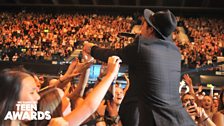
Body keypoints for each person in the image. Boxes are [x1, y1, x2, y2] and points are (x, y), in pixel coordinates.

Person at [83, 9, 195, 126]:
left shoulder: (141, 47)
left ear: (151, 29)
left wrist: (91, 49)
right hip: (181, 120)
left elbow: (114, 55)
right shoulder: (175, 52)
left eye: (144, 24)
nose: (141, 28)